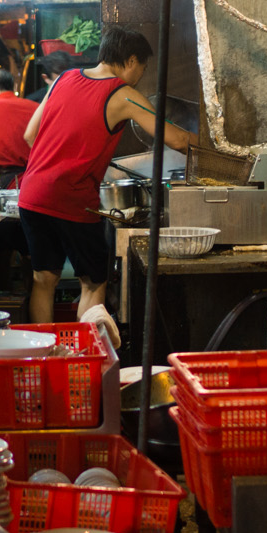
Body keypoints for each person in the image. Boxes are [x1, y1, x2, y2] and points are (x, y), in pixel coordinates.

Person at [17, 25, 197, 342]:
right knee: (93, 281)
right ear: (130, 61)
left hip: (31, 194)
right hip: (72, 199)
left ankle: (46, 360)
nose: (139, 77)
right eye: (141, 69)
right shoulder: (122, 94)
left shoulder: (63, 78)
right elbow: (178, 139)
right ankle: (84, 360)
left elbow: (30, 135)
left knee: (44, 279)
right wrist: (215, 149)